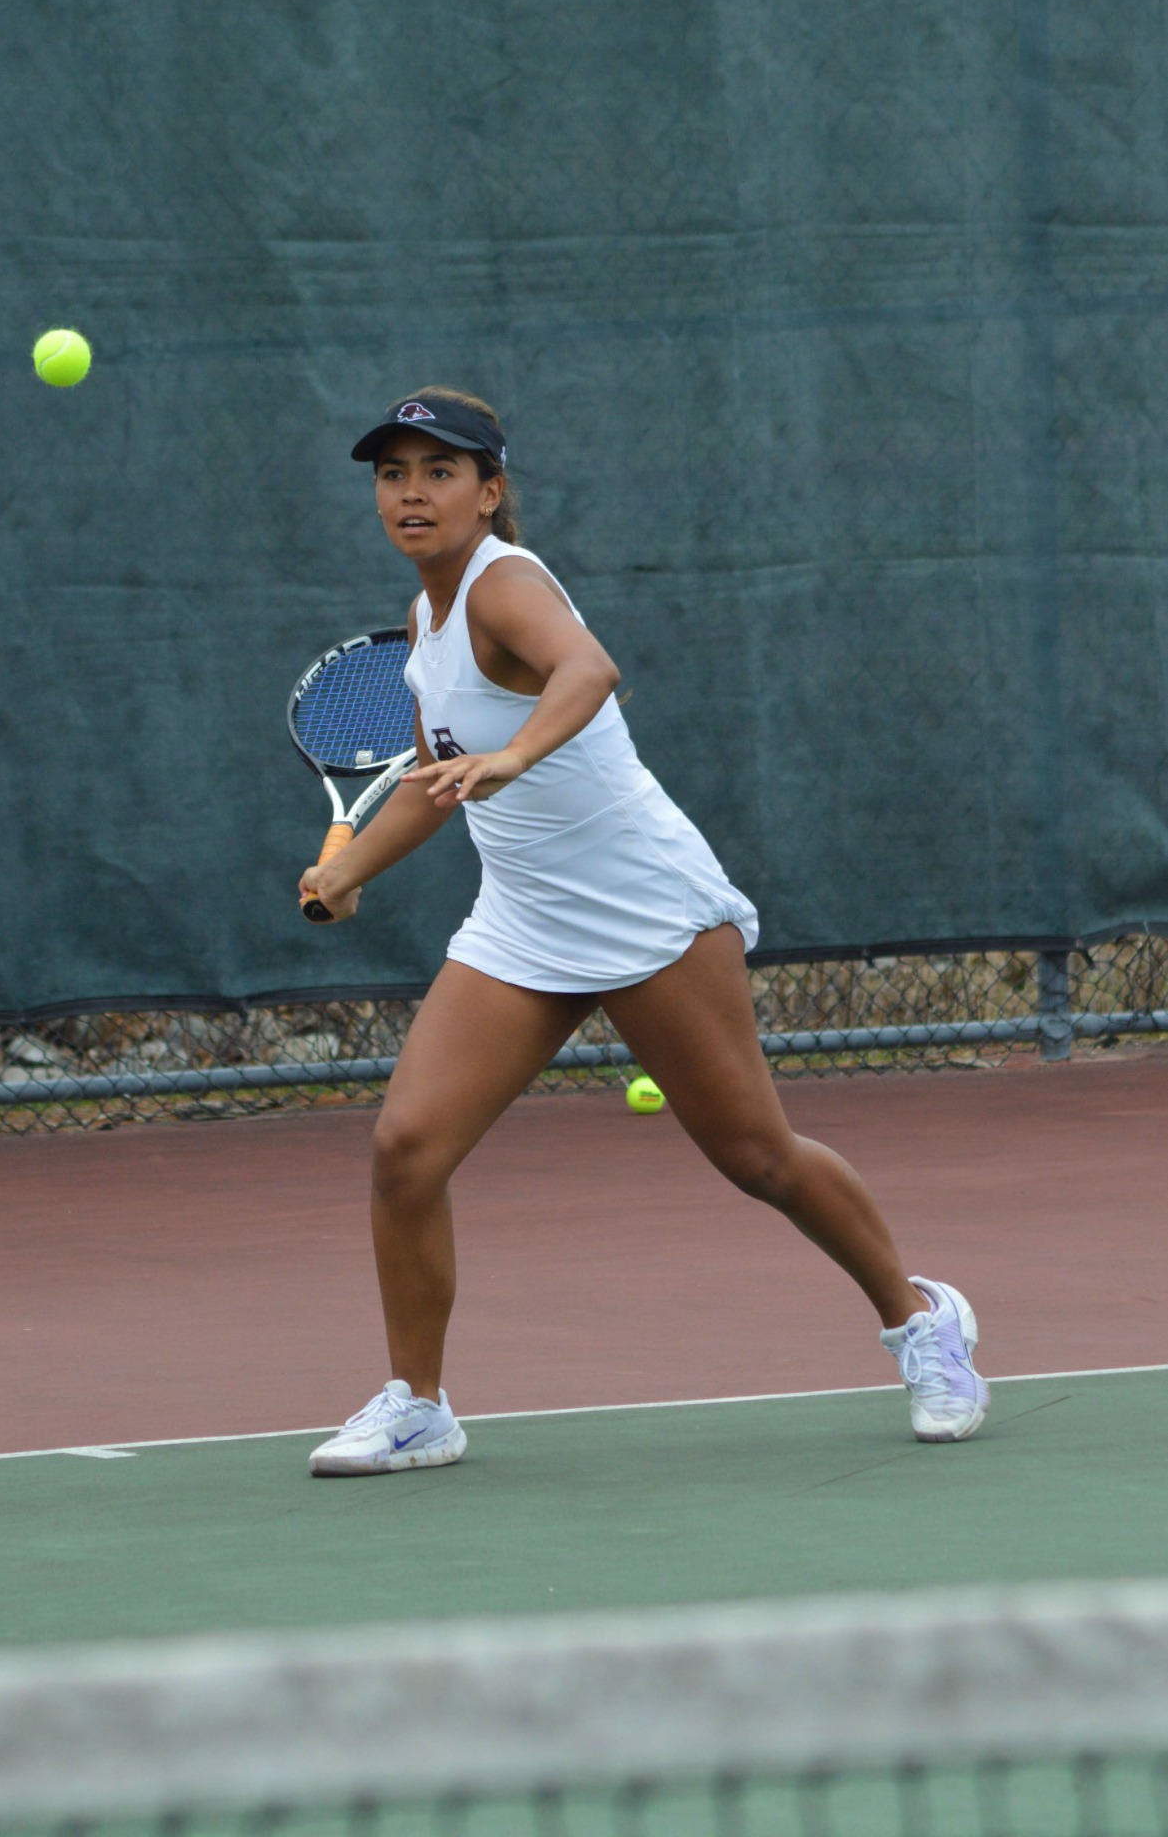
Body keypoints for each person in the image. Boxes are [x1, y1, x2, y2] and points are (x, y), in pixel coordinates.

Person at [299, 388, 989, 1476]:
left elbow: (589, 670)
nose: (412, 493)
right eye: (394, 474)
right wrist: (349, 870)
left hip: (645, 907)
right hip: (523, 921)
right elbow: (435, 782)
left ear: (490, 491)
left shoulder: (505, 585)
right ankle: (419, 1404)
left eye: (440, 471)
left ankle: (922, 1321)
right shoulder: (425, 623)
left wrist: (516, 754)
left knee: (758, 1157)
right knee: (406, 1151)